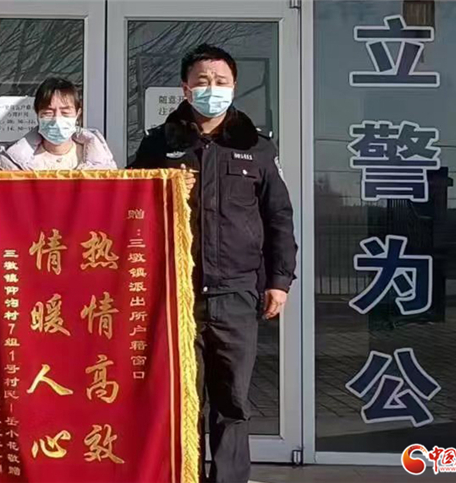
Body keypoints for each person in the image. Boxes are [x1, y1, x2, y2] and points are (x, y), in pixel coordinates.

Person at [130, 44, 297, 483]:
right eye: (202, 81)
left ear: (234, 87)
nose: (211, 89)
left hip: (236, 292)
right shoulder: (159, 144)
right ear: (185, 88)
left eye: (220, 81)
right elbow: (127, 206)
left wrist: (279, 281)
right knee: (183, 399)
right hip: (175, 293)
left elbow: (278, 217)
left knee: (232, 402)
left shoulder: (256, 147)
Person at [0, 77, 116, 170]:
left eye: (65, 112)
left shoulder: (100, 162)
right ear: (37, 113)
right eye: (48, 112)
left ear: (78, 113)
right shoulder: (13, 163)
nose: (57, 119)